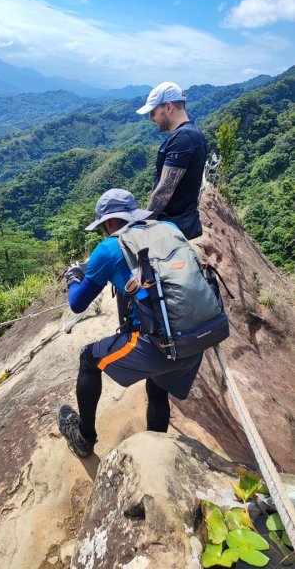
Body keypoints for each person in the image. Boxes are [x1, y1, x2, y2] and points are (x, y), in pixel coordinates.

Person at [57, 189, 203, 457]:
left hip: (159, 345)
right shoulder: (168, 227)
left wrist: (73, 278)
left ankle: (84, 436)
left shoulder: (108, 248)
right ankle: (158, 447)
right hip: (195, 336)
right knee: (157, 389)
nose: (104, 230)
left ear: (110, 222)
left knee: (88, 360)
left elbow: (77, 303)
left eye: (103, 225)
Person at [136, 81, 207, 241]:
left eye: (153, 112)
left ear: (168, 107)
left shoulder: (182, 139)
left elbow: (164, 192)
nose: (150, 118)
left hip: (172, 229)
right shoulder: (195, 134)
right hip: (182, 225)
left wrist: (144, 224)